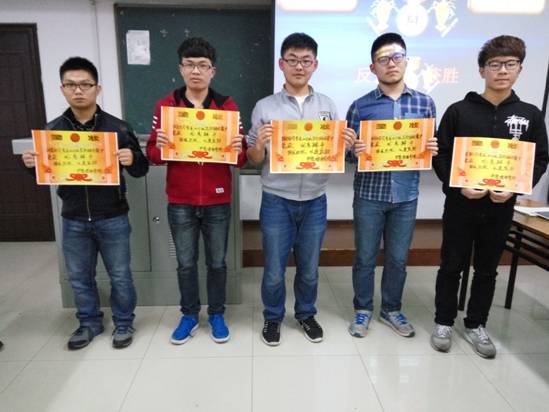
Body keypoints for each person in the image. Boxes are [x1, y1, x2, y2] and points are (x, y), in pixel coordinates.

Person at [431, 35, 548, 358]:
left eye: (510, 64)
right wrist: (458, 186)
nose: (502, 71)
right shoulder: (459, 111)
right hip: (460, 204)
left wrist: (514, 189)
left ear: (520, 69)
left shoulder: (530, 115)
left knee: (487, 269)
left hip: (500, 207)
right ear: (482, 70)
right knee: (451, 264)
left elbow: (539, 159)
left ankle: (476, 324)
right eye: (495, 64)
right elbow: (441, 155)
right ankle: (443, 321)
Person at [22, 57, 149, 350]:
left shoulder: (118, 128)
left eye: (85, 85)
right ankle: (89, 323)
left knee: (120, 275)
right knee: (79, 277)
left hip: (112, 215)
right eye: (71, 85)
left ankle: (124, 322)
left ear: (97, 88)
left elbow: (140, 169)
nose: (78, 90)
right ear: (62, 89)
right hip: (74, 216)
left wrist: (132, 158)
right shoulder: (52, 131)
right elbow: (47, 173)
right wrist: (31, 165)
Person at [247, 32, 356, 346]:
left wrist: (347, 144)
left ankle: (306, 314)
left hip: (315, 199)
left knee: (309, 269)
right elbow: (254, 158)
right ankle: (272, 317)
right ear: (281, 64)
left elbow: (334, 153)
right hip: (276, 199)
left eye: (306, 61)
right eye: (292, 60)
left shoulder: (327, 105)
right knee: (274, 269)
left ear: (315, 65)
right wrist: (259, 145)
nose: (299, 66)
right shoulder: (265, 107)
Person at [146, 37, 246, 345]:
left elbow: (241, 160)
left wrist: (238, 148)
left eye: (203, 65)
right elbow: (153, 155)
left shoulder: (227, 106)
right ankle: (189, 315)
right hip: (181, 200)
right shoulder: (166, 106)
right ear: (180, 69)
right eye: (189, 65)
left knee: (217, 262)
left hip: (217, 199)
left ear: (213, 71)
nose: (196, 71)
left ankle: (216, 313)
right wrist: (160, 147)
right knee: (186, 263)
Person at [346, 33, 438, 339]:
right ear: (373, 67)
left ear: (407, 61)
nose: (391, 63)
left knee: (398, 259)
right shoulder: (360, 107)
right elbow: (346, 155)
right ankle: (362, 309)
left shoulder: (425, 103)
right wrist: (353, 151)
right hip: (369, 195)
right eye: (383, 59)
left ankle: (391, 308)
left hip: (406, 195)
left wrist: (432, 148)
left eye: (397, 56)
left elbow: (427, 148)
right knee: (364, 257)